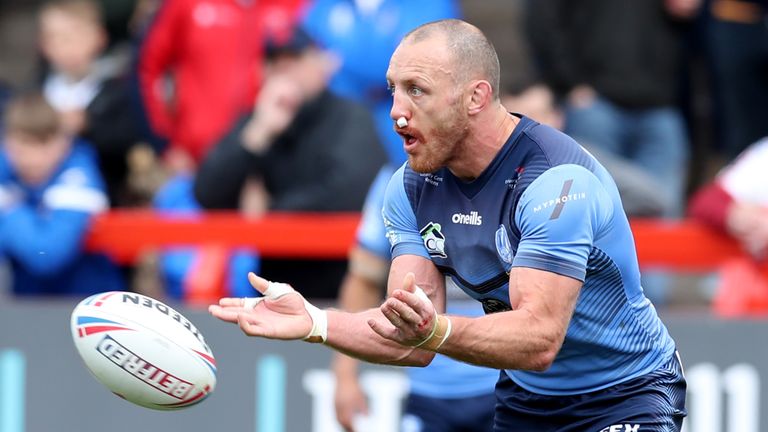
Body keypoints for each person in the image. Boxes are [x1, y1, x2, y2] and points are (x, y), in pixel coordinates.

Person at [209, 19, 687, 431]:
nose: (397, 110)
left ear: (475, 96)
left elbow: (539, 339)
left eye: (416, 90)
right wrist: (315, 321)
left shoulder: (555, 181)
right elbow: (410, 341)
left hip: (626, 389)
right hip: (528, 401)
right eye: (394, 88)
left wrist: (432, 331)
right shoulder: (410, 188)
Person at [194, 27, 387, 300]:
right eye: (275, 64)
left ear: (319, 65)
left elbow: (352, 193)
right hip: (275, 291)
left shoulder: (349, 117)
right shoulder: (261, 119)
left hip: (341, 289)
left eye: (295, 62)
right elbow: (207, 193)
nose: (284, 73)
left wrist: (269, 211)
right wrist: (257, 134)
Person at [332, 165, 497, 432]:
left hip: (501, 385)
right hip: (427, 389)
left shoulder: (515, 177)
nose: (403, 122)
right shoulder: (398, 182)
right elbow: (363, 279)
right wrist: (345, 374)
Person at [0, 91, 125, 296]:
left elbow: (47, 255)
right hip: (25, 309)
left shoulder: (80, 178)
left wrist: (9, 209)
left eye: (43, 145)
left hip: (88, 309)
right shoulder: (6, 172)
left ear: (63, 142)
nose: (33, 159)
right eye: (22, 146)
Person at [38, 0, 142, 206]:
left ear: (99, 37)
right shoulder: (33, 94)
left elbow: (130, 140)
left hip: (103, 203)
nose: (67, 45)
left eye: (76, 35)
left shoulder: (118, 93)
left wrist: (89, 125)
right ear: (43, 44)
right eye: (57, 38)